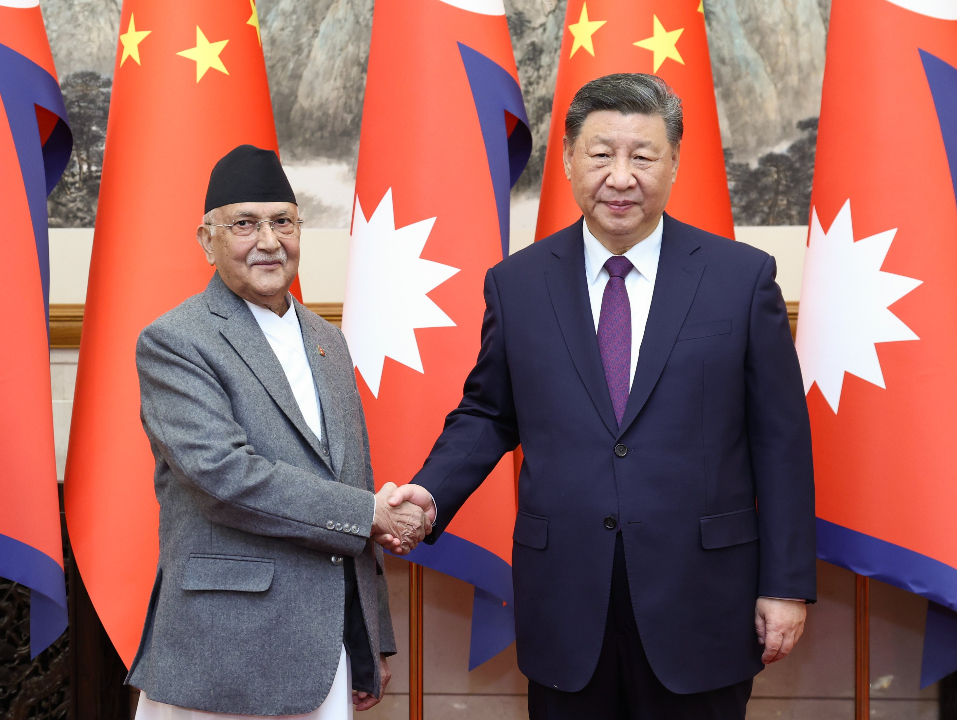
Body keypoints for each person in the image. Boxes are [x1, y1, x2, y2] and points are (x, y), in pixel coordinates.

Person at [384, 74, 816, 719]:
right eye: (600, 154)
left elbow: (780, 442)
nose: (621, 176)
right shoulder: (518, 284)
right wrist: (431, 489)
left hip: (701, 599)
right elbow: (488, 412)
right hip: (567, 598)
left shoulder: (739, 278)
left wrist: (785, 586)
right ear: (567, 158)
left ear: (673, 162)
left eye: (642, 156)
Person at [125, 145, 431, 719]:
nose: (269, 241)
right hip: (224, 653)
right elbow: (224, 478)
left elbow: (351, 478)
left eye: (283, 222)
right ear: (206, 239)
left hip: (328, 653)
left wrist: (370, 639)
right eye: (245, 223)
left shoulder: (328, 340)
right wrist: (370, 512)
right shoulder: (176, 341)